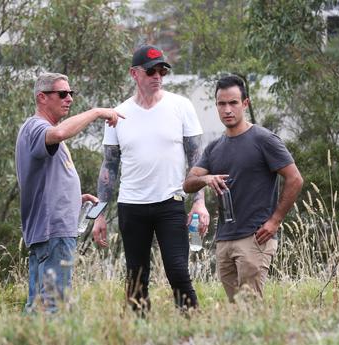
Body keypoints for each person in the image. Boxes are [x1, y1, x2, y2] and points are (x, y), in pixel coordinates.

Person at [92, 45, 208, 312]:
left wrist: (199, 203)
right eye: (151, 71)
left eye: (162, 71)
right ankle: (139, 332)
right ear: (134, 73)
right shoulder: (118, 114)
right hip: (131, 204)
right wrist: (98, 214)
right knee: (136, 277)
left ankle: (192, 325)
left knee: (178, 270)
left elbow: (197, 161)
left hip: (171, 201)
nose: (158, 76)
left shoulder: (181, 106)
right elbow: (109, 166)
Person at [183, 75, 304, 302]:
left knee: (250, 306)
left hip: (255, 237)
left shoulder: (264, 139)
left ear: (245, 104)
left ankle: (266, 337)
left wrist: (275, 221)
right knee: (236, 308)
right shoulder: (214, 148)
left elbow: (295, 179)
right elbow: (188, 183)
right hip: (224, 239)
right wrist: (206, 178)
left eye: (233, 103)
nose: (227, 109)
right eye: (221, 104)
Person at [15, 72, 123, 313]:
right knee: (54, 305)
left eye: (71, 93)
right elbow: (60, 133)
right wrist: (97, 112)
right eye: (62, 94)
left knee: (38, 305)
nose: (69, 99)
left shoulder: (41, 131)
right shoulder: (37, 127)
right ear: (42, 97)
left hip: (51, 230)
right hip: (52, 230)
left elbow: (45, 178)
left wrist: (76, 199)